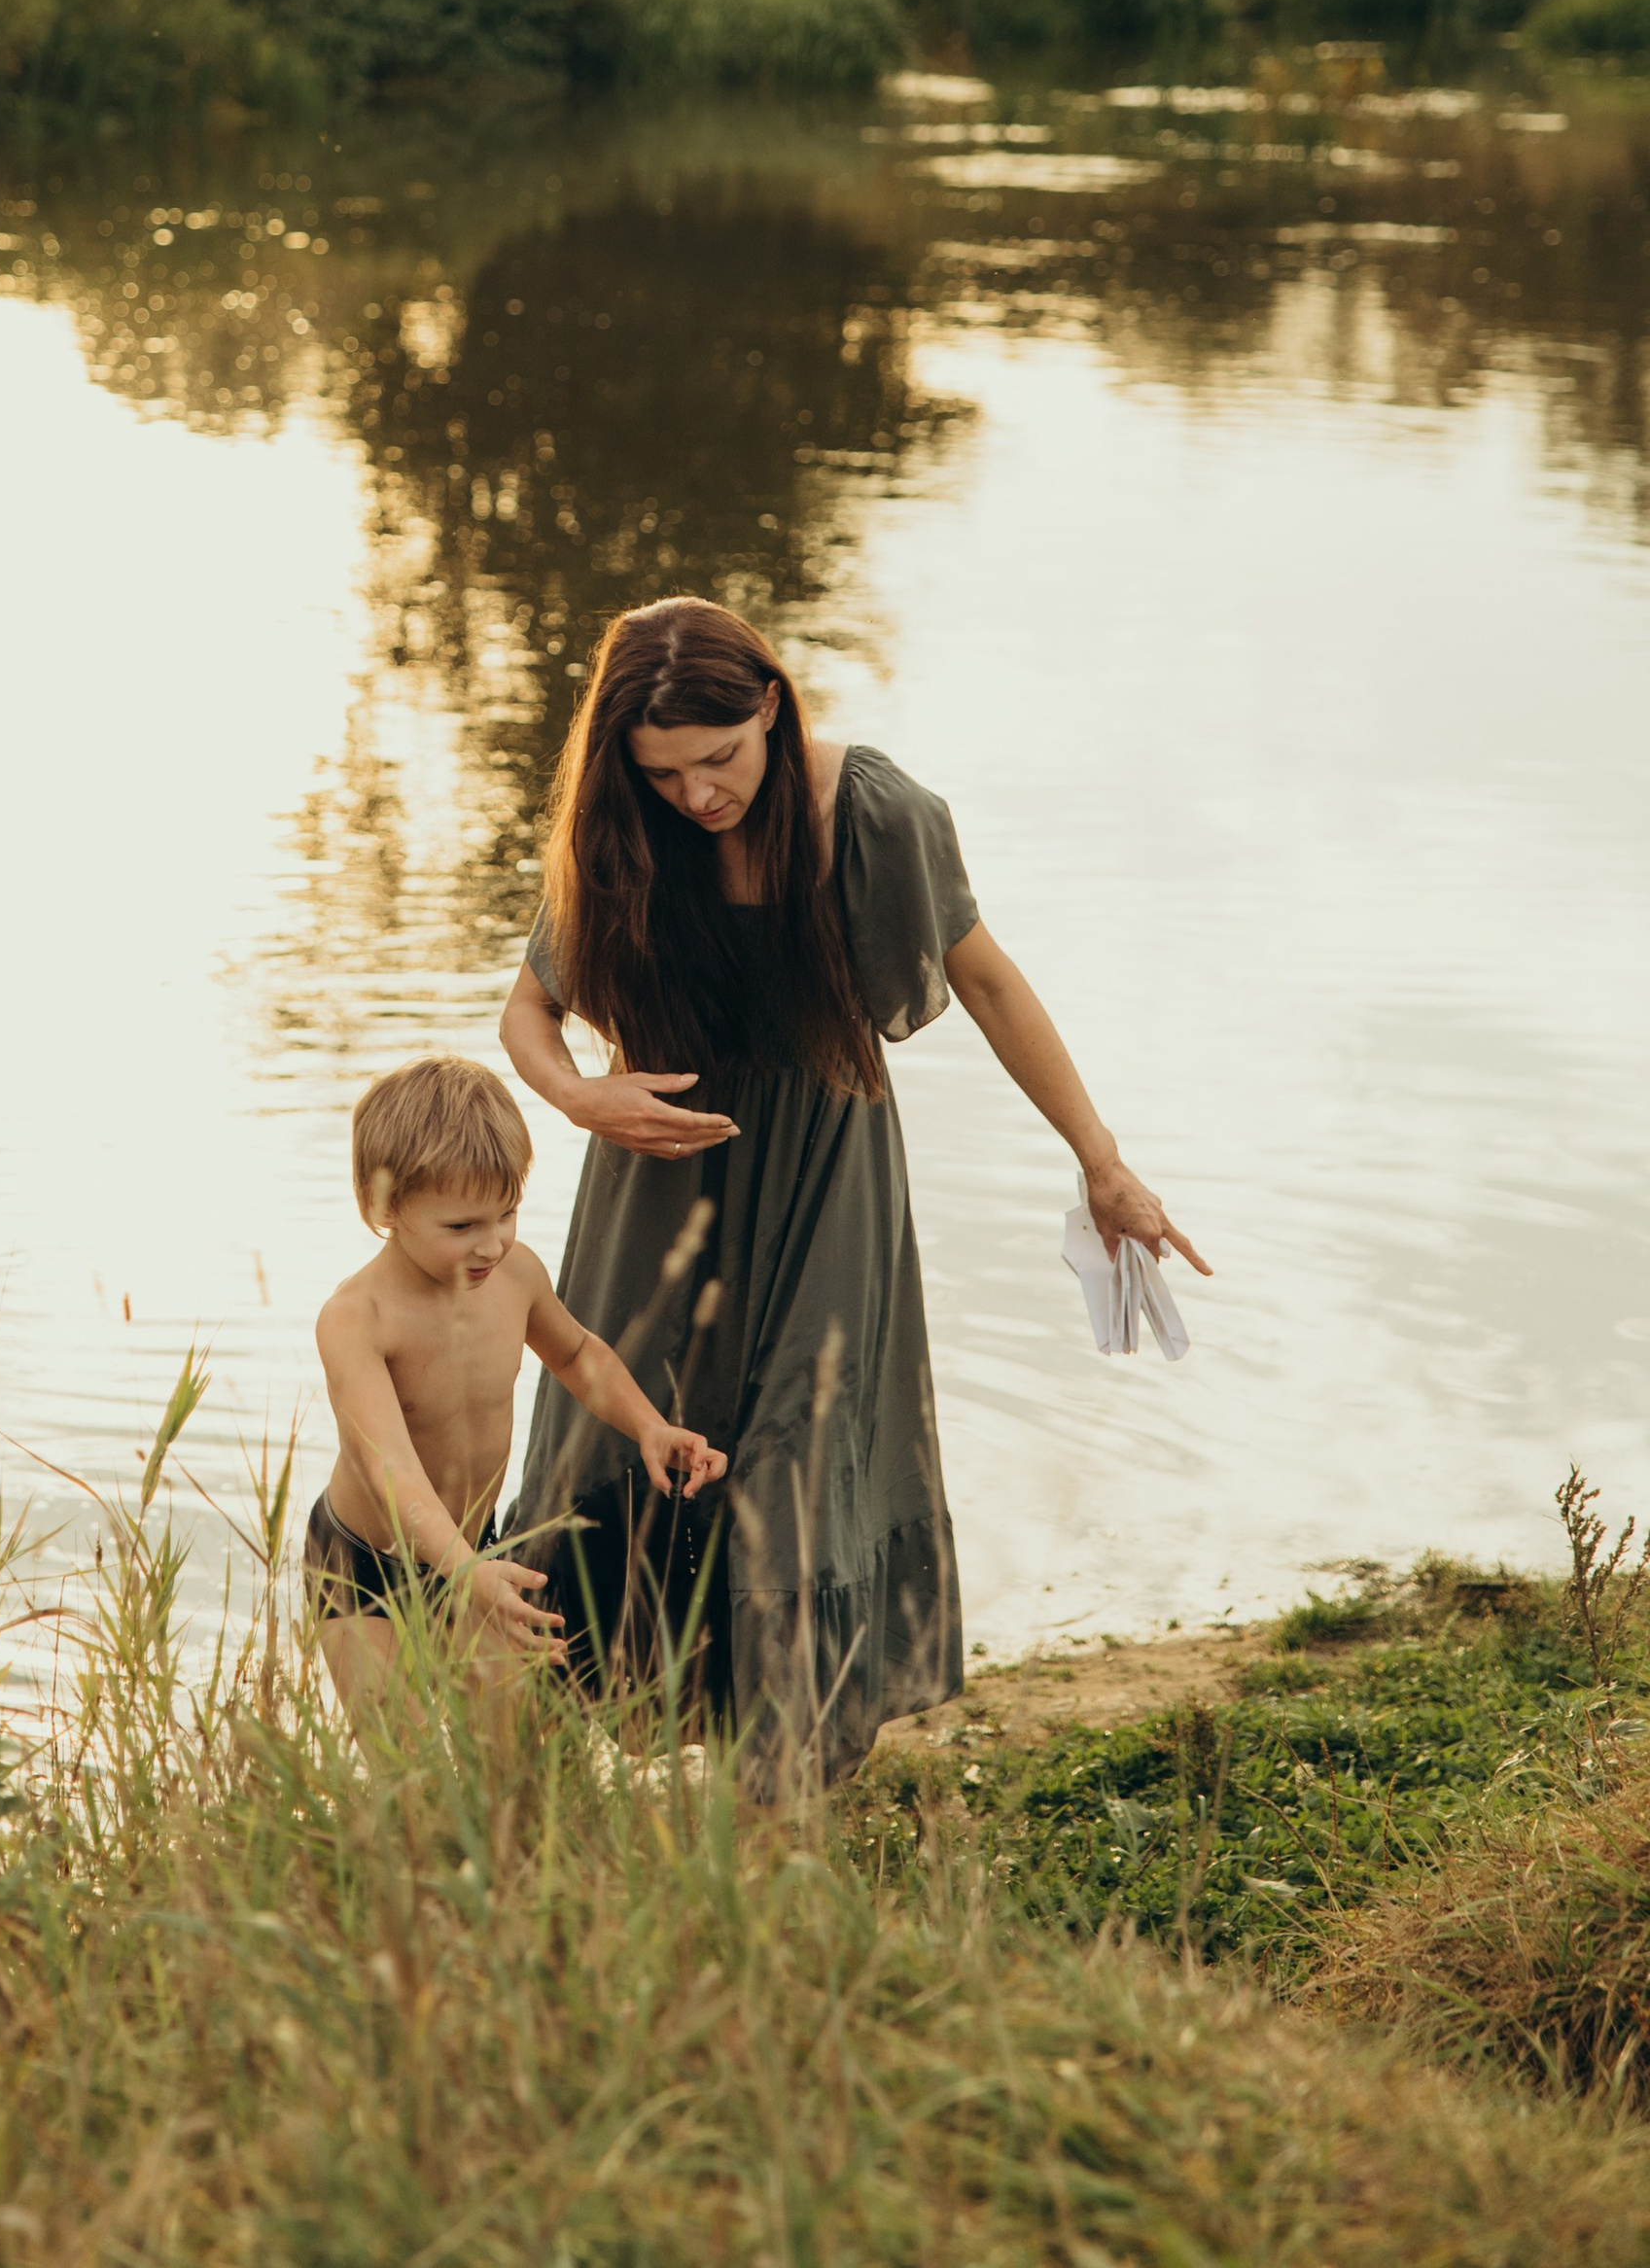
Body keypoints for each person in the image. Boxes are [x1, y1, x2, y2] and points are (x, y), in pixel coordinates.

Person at [501, 596, 1209, 1785]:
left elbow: (988, 982)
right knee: (615, 1444)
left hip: (825, 1181)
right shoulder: (624, 824)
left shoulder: (873, 814)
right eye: (664, 772)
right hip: (651, 1184)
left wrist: (1101, 1161)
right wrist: (578, 1097)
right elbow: (529, 1008)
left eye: (719, 758)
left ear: (771, 708)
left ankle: (780, 1792)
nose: (697, 794)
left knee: (799, 1453)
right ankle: (573, 1755)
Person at [308, 1053, 727, 1727]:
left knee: (510, 1757)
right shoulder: (358, 1319)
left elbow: (577, 1353)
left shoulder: (514, 1276)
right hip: (365, 1567)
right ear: (384, 1206)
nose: (492, 1244)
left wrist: (650, 1426)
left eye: (506, 1214)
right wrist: (462, 1573)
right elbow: (390, 1471)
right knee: (405, 1765)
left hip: (476, 1549)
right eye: (461, 1227)